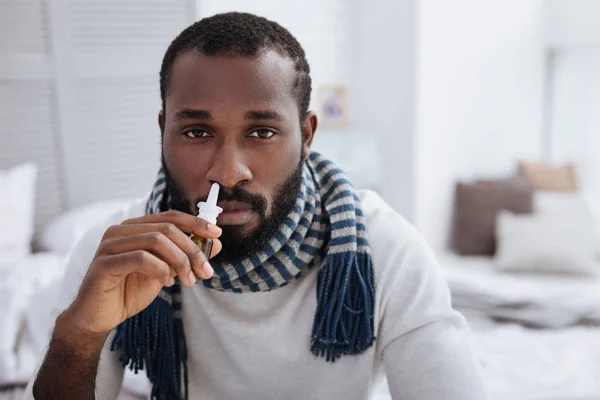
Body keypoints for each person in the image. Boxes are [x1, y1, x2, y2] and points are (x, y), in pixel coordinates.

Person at [24, 12, 487, 400]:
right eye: (197, 132)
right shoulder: (117, 254)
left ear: (305, 136)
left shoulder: (385, 250)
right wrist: (77, 336)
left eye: (262, 132)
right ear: (163, 129)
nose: (228, 172)